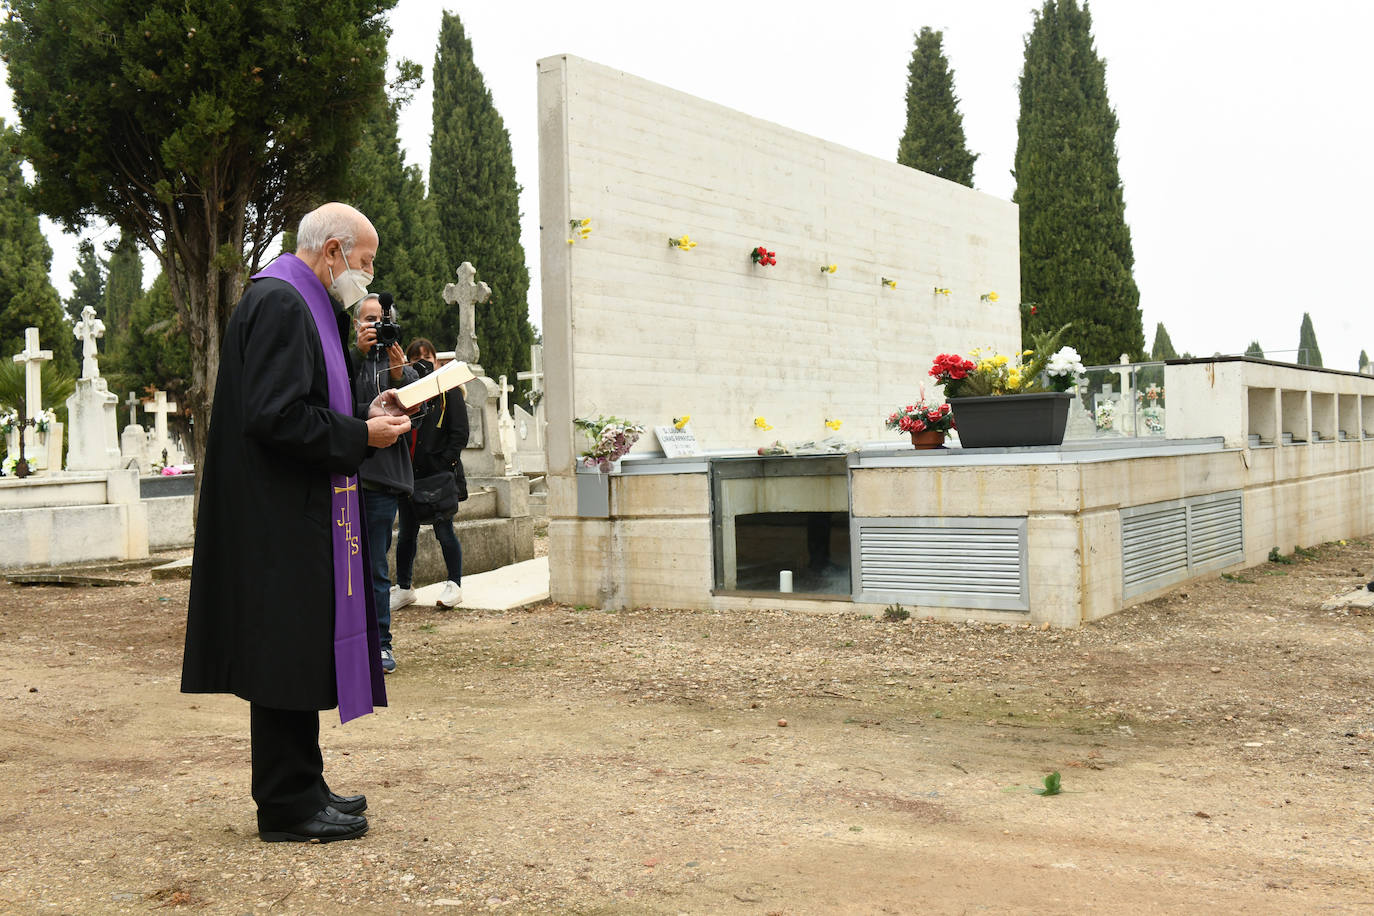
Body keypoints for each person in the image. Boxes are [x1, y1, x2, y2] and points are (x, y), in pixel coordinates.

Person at [181, 202, 412, 844]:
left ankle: (304, 784)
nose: (366, 279)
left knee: (297, 651)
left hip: (288, 507)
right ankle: (286, 804)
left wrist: (362, 414)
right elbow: (276, 417)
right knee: (282, 655)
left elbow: (302, 404)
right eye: (364, 264)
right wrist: (360, 434)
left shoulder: (296, 296)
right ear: (333, 252)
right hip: (278, 516)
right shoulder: (285, 302)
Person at [352, 294, 420, 674]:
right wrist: (358, 356)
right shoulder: (344, 361)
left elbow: (417, 413)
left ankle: (380, 645)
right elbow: (334, 403)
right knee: (342, 568)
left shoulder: (400, 364)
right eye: (369, 320)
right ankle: (344, 642)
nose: (377, 327)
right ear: (358, 325)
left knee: (376, 567)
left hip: (381, 482)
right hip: (345, 476)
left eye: (382, 319)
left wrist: (398, 375)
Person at [391, 338, 469, 611]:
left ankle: (454, 584)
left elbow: (459, 432)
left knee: (444, 530)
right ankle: (403, 587)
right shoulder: (407, 391)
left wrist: (444, 463)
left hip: (438, 475)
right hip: (409, 475)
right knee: (406, 535)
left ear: (436, 360)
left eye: (427, 357)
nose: (422, 362)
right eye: (416, 358)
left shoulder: (449, 391)